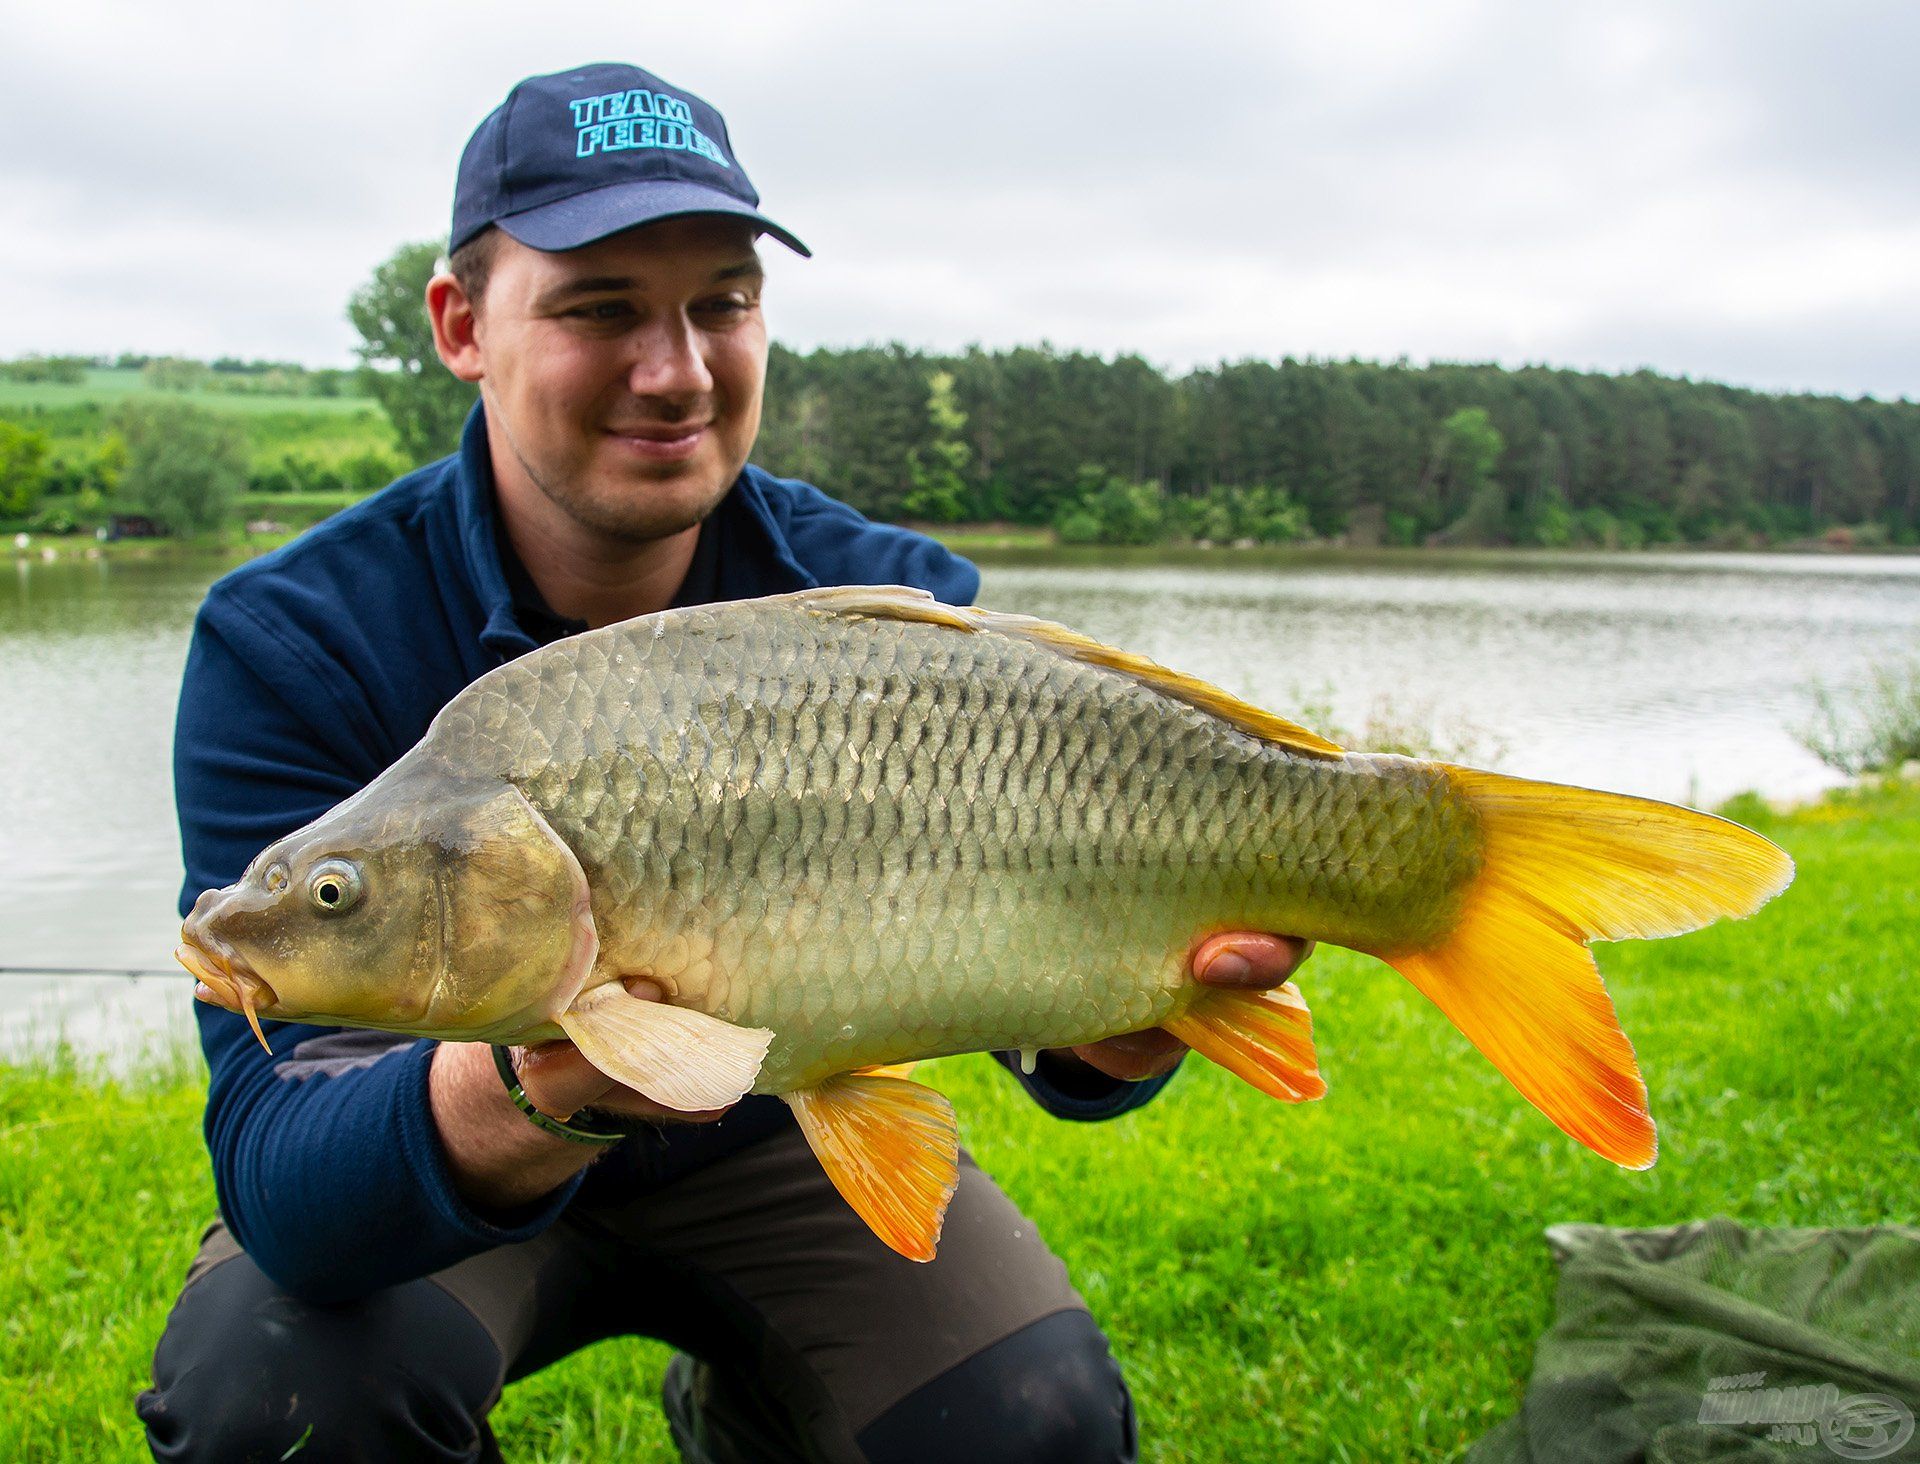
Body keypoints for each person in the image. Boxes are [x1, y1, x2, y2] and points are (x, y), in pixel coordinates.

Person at [138, 62, 1312, 1463]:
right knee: (273, 1400)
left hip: (779, 1136)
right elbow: (284, 1184)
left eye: (723, 302)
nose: (677, 368)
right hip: (438, 1152)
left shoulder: (887, 602)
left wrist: (1116, 1025)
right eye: (600, 308)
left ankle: (755, 1408)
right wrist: (538, 1082)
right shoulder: (296, 639)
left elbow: (1053, 1041)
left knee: (1031, 1421)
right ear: (461, 324)